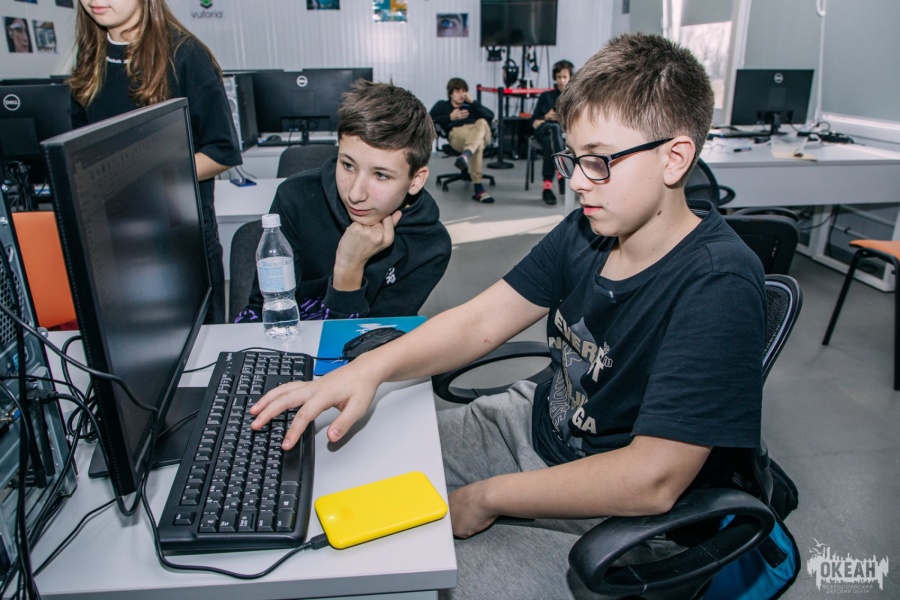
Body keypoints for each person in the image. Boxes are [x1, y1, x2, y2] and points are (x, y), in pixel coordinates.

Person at [250, 33, 765, 599]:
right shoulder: (587, 232)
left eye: (598, 161)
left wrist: (486, 497)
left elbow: (652, 479)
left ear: (675, 158)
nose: (576, 181)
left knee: (418, 576)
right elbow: (479, 321)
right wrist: (365, 371)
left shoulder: (718, 283)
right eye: (573, 159)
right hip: (531, 427)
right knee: (348, 467)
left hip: (618, 517)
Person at [68, 0, 241, 324]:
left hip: (178, 231)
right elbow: (79, 149)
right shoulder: (90, 58)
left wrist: (143, 180)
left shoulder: (185, 54)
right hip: (111, 237)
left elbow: (222, 152)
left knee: (199, 339)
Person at [235, 79, 451, 322]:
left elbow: (373, 337)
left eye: (381, 175)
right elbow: (262, 313)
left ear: (416, 180)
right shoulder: (295, 198)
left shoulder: (430, 246)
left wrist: (349, 266)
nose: (355, 195)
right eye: (348, 165)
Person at [430, 78, 495, 204]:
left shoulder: (472, 105)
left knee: (482, 122)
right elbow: (427, 120)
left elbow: (490, 116)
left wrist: (473, 102)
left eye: (464, 91)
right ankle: (478, 188)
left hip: (478, 131)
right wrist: (450, 117)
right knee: (478, 144)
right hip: (457, 133)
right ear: (450, 93)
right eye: (458, 91)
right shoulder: (442, 105)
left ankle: (466, 155)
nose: (461, 94)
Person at [532, 59, 574, 205]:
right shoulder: (546, 96)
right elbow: (534, 120)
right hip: (544, 129)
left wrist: (562, 118)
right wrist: (546, 117)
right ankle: (561, 171)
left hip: (561, 134)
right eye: (558, 77)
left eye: (564, 77)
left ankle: (547, 187)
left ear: (570, 77)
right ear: (554, 78)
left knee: (549, 142)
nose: (561, 81)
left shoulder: (574, 98)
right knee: (553, 129)